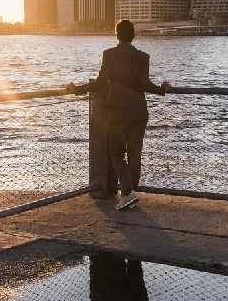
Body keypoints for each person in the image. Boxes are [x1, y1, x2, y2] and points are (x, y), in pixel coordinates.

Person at [68, 20, 170, 210]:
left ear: (116, 34)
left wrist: (77, 89)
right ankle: (130, 194)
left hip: (116, 112)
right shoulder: (142, 57)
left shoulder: (109, 55)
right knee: (134, 153)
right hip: (139, 111)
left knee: (116, 153)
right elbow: (144, 84)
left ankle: (128, 193)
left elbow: (99, 83)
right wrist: (162, 90)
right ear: (133, 35)